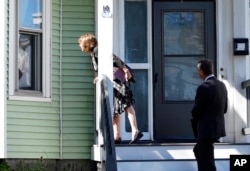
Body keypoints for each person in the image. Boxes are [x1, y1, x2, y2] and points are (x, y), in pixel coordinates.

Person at [78, 33, 143, 144]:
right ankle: (117, 136)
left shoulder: (97, 50)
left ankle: (135, 130)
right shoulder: (93, 55)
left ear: (87, 44)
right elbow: (102, 68)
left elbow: (113, 58)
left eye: (81, 44)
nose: (80, 46)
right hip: (113, 82)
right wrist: (98, 77)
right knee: (115, 109)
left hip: (119, 79)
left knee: (127, 104)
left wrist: (125, 69)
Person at [191, 59, 228, 171]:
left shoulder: (204, 87)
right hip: (217, 128)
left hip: (207, 130)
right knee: (200, 151)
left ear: (202, 71)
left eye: (198, 70)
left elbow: (196, 111)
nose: (198, 72)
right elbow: (225, 109)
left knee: (206, 159)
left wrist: (195, 118)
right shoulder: (222, 85)